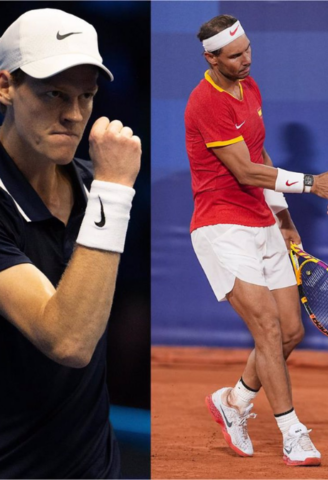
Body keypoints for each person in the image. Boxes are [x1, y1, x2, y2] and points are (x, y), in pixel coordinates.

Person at [185, 14, 328, 467]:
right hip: (221, 227)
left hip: (262, 221)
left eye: (247, 50)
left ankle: (235, 402)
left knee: (290, 332)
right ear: (210, 58)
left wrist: (282, 216)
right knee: (266, 328)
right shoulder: (206, 102)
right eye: (234, 55)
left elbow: (259, 153)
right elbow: (242, 171)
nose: (245, 60)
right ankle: (291, 433)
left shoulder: (250, 87)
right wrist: (312, 184)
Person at [0, 9, 141, 479]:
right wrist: (116, 191)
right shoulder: (108, 192)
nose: (74, 114)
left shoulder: (93, 187)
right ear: (5, 88)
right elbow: (69, 340)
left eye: (86, 95)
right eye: (53, 93)